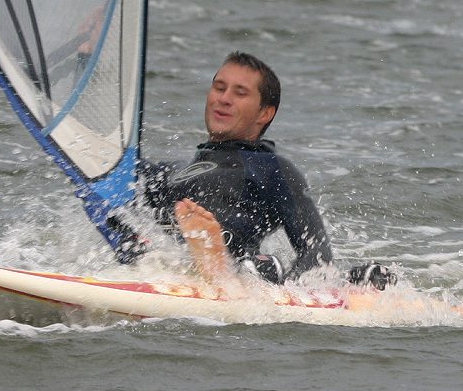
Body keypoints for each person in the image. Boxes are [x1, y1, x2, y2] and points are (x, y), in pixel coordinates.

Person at [115, 51, 395, 290]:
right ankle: (181, 259)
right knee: (129, 234)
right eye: (219, 87)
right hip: (169, 273)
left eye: (240, 93)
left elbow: (316, 256)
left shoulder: (272, 169)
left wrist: (284, 291)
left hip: (240, 276)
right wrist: (86, 54)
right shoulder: (170, 172)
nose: (223, 99)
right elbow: (102, 170)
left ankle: (224, 268)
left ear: (265, 113)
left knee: (259, 269)